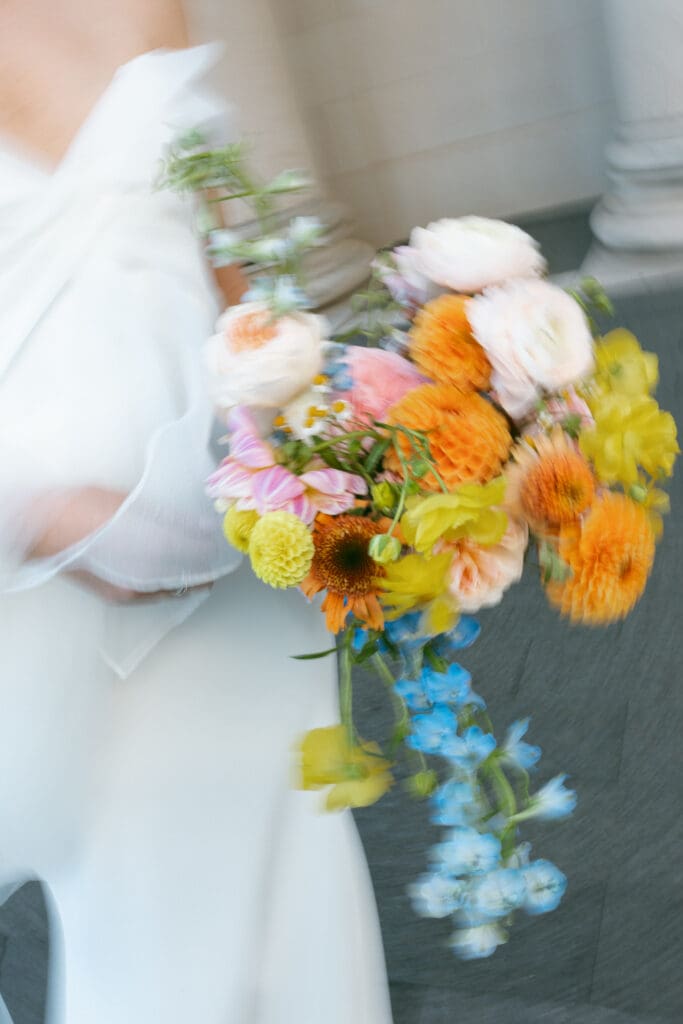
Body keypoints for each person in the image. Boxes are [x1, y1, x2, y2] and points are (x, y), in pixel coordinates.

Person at [0, 2, 393, 1021]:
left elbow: (222, 259)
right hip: (43, 594)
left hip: (221, 541)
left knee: (287, 882)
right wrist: (35, 512)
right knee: (157, 936)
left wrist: (308, 439)